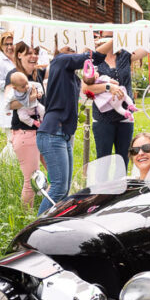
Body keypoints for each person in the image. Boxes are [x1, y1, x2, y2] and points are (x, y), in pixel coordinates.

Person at [37, 41, 119, 214]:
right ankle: (37, 226)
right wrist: (114, 39)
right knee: (58, 188)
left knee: (64, 189)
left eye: (74, 46)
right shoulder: (60, 60)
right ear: (57, 49)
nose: (71, 50)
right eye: (67, 46)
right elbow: (92, 57)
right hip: (53, 133)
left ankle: (53, 225)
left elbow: (88, 68)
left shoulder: (70, 73)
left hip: (63, 134)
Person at [92, 33, 150, 166]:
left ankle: (120, 187)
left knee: (123, 159)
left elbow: (148, 47)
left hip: (125, 118)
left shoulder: (125, 55)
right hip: (103, 118)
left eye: (114, 35)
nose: (111, 38)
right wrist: (108, 87)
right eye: (107, 35)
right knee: (103, 161)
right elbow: (86, 88)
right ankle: (103, 187)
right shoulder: (94, 59)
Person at [5, 42, 47, 207]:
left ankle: (50, 209)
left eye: (35, 52)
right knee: (31, 180)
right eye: (28, 53)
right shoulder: (15, 76)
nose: (33, 56)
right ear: (19, 55)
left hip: (42, 131)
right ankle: (26, 219)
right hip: (25, 133)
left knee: (54, 174)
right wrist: (29, 98)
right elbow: (9, 104)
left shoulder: (37, 74)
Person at [0, 31, 17, 130]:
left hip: (19, 105)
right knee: (11, 140)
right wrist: (14, 84)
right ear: (1, 46)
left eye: (12, 44)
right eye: (6, 44)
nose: (10, 47)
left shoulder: (18, 59)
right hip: (6, 103)